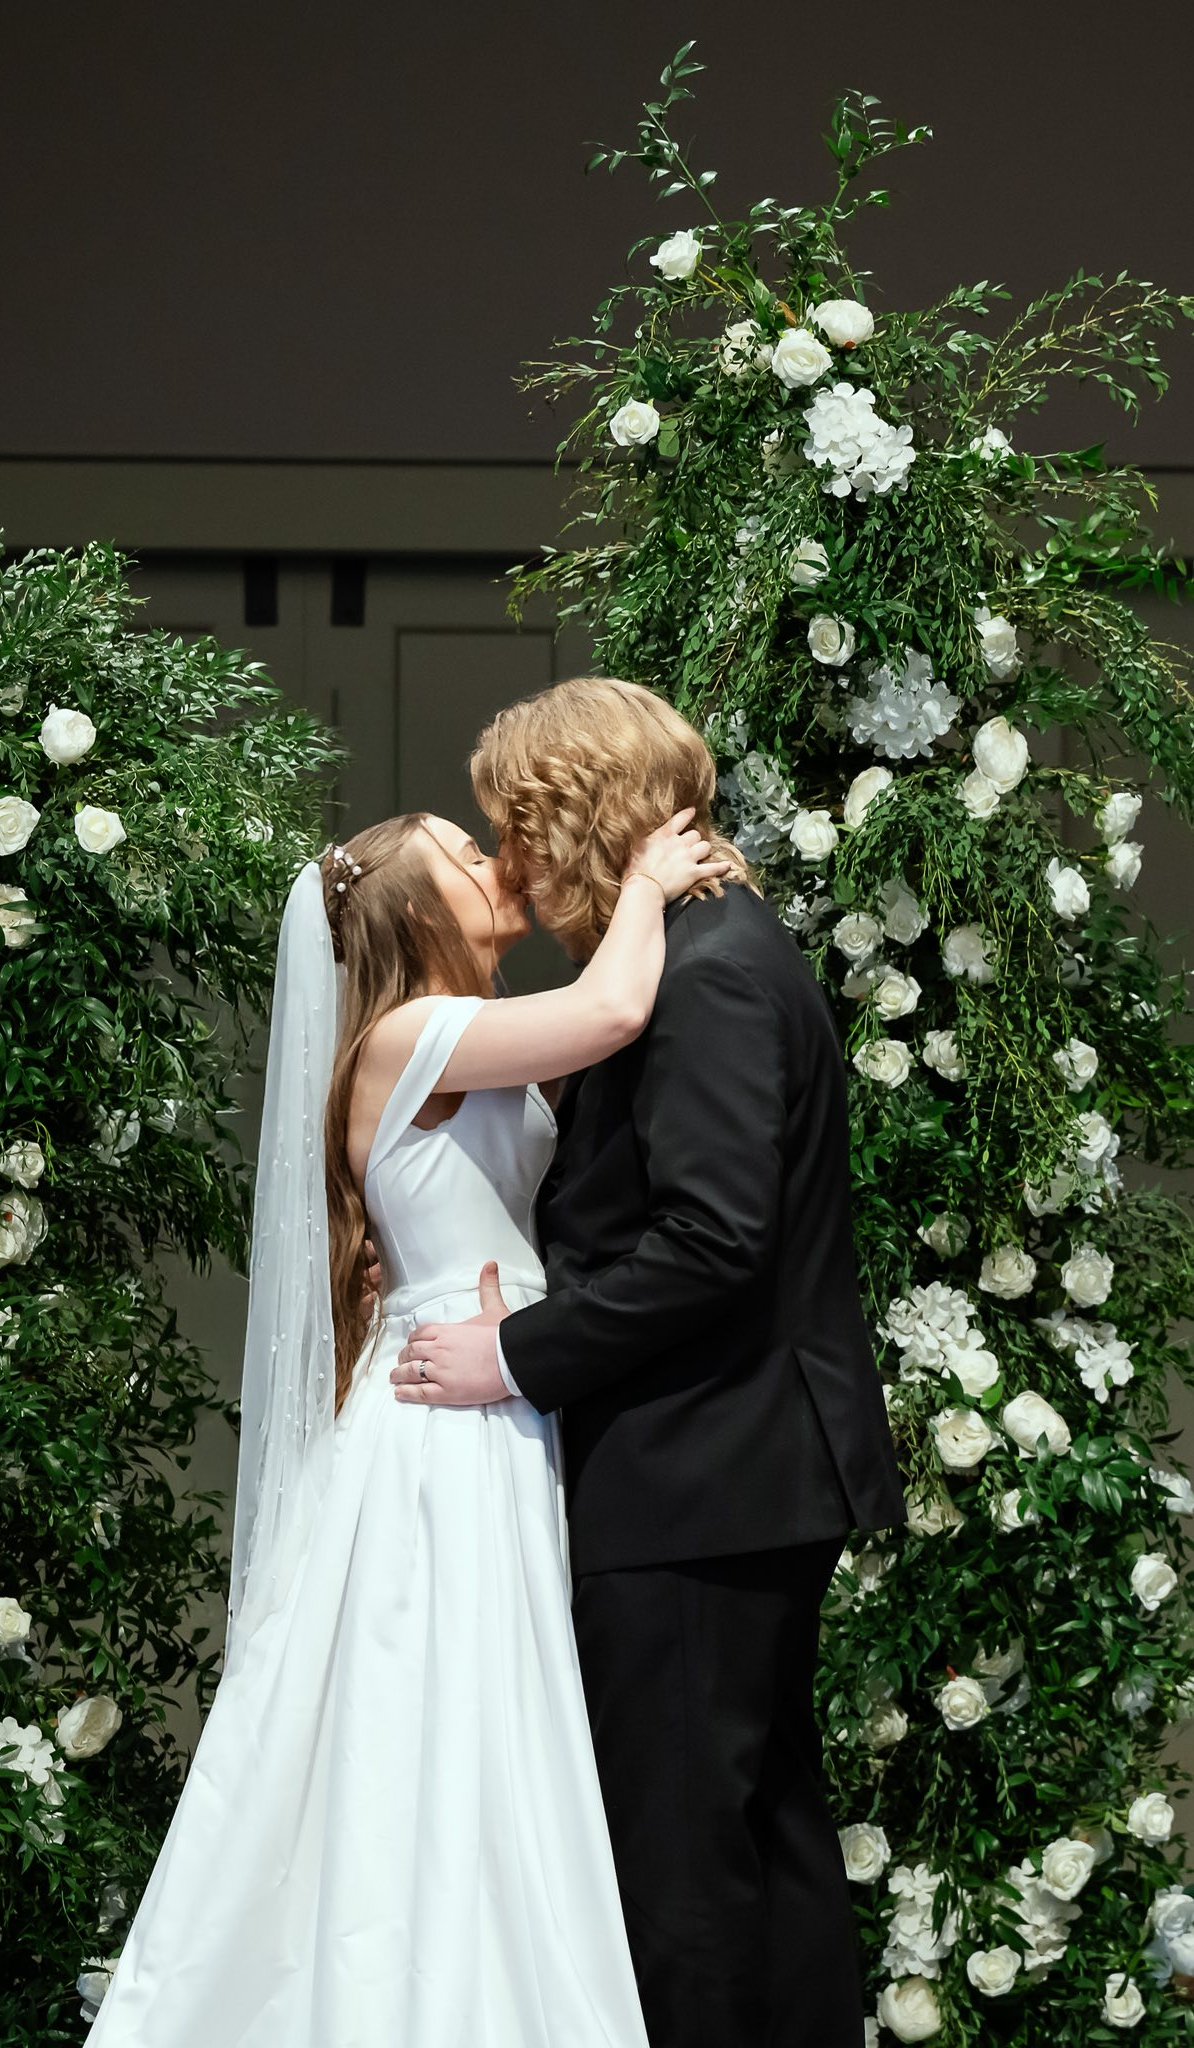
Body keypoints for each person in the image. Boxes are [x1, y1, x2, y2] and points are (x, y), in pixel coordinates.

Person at [83, 801, 728, 2047]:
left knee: (483, 1721)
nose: (498, 861)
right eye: (469, 857)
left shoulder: (466, 1030)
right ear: (420, 912)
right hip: (446, 1423)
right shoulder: (411, 1031)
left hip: (499, 1384)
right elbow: (609, 1013)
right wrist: (644, 883)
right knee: (439, 1711)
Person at [390, 677, 909, 2048]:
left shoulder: (709, 971)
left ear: (572, 817)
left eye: (516, 826)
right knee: (764, 1837)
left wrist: (513, 1353)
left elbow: (710, 1241)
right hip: (734, 1467)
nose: (511, 860)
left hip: (703, 1471)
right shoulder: (705, 944)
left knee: (677, 1861)